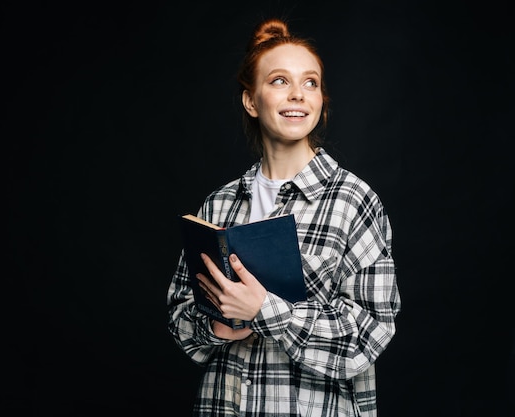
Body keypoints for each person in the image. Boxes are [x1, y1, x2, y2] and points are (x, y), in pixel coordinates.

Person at [167, 16, 401, 417]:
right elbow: (180, 315)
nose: (298, 95)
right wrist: (218, 327)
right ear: (251, 100)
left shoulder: (353, 200)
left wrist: (263, 310)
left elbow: (369, 335)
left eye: (310, 83)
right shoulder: (219, 204)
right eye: (279, 81)